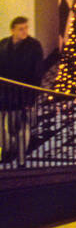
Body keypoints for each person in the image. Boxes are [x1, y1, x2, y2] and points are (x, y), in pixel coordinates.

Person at [0, 16, 44, 162]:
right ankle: (7, 149)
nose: (25, 31)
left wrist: (31, 97)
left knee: (21, 125)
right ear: (13, 30)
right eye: (21, 29)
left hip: (23, 93)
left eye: (26, 28)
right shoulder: (3, 44)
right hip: (5, 93)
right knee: (6, 126)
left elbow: (37, 73)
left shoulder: (34, 46)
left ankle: (20, 158)